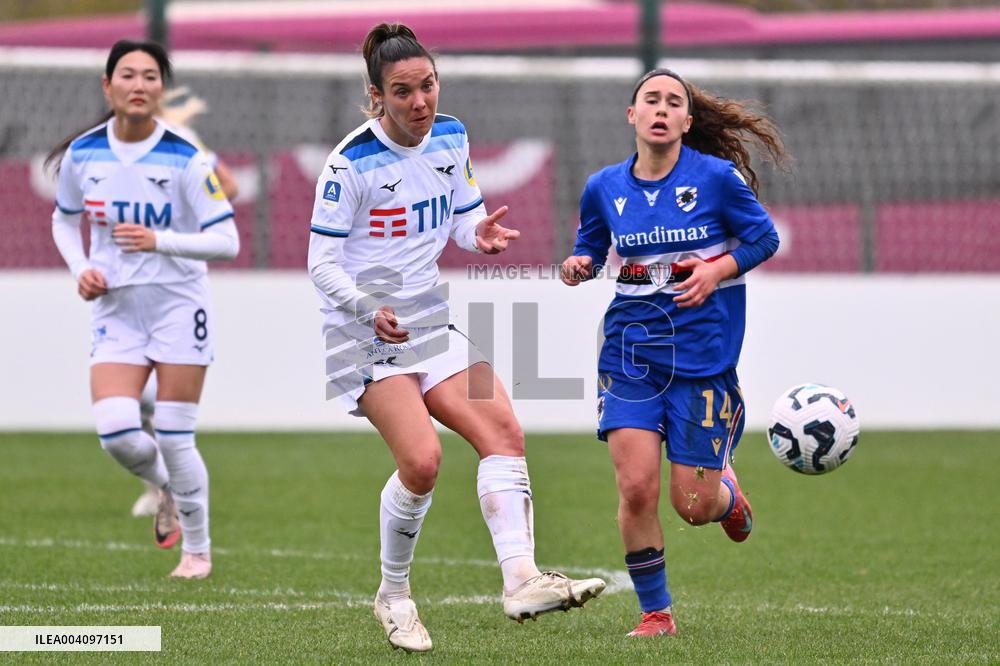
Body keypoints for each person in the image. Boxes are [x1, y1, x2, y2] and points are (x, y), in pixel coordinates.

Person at [308, 22, 605, 654]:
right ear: (377, 97)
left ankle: (521, 578)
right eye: (403, 91)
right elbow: (321, 264)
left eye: (428, 85)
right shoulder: (348, 165)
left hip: (429, 322)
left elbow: (462, 215)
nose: (421, 102)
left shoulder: (451, 135)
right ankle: (393, 596)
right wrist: (367, 309)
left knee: (503, 431)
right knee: (421, 461)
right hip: (362, 333)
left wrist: (480, 235)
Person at [560, 68, 787, 637]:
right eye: (650, 100)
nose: (661, 108)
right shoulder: (603, 186)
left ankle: (727, 495)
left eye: (673, 102)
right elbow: (590, 246)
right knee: (636, 486)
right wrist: (578, 265)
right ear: (632, 116)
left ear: (687, 121)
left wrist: (715, 270)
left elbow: (765, 238)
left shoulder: (716, 179)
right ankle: (655, 614)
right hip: (630, 355)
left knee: (692, 505)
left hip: (703, 359)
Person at [47, 39, 240, 579]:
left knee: (177, 436)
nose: (139, 85)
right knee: (116, 432)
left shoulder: (186, 157)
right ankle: (167, 487)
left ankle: (197, 552)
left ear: (162, 89)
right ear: (107, 87)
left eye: (150, 77)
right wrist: (80, 267)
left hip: (179, 308)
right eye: (127, 75)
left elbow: (227, 242)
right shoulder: (83, 154)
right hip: (117, 310)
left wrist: (161, 241)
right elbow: (64, 219)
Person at [129, 87, 240, 519]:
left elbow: (226, 184)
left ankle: (171, 493)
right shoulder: (111, 148)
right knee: (133, 394)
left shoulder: (182, 140)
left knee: (160, 395)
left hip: (174, 280)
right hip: (131, 279)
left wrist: (185, 225)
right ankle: (159, 484)